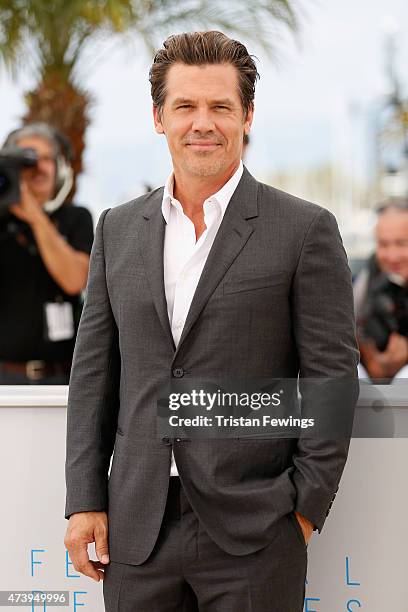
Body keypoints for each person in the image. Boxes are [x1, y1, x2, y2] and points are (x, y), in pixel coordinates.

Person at [64, 31, 359, 611]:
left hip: (255, 530)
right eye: (186, 106)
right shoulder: (116, 229)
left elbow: (332, 381)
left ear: (247, 116)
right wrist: (84, 500)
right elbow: (93, 376)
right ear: (158, 117)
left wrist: (302, 509)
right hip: (135, 530)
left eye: (221, 106)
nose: (203, 123)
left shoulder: (304, 230)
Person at [0, 123, 93, 384]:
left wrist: (34, 215)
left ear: (59, 169)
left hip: (61, 377)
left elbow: (75, 280)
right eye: (26, 160)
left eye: (45, 159)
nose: (37, 167)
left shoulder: (76, 218)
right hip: (5, 377)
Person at [355, 201, 408, 380]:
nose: (391, 256)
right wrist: (372, 361)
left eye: (401, 244)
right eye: (383, 245)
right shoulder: (373, 267)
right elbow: (350, 320)